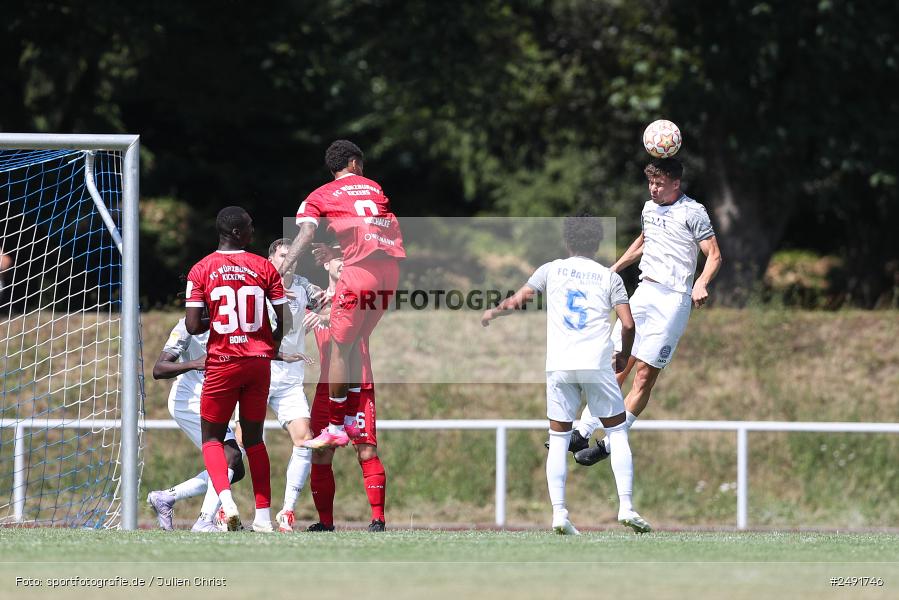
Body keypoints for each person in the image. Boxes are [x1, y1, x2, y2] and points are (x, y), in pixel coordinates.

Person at [481, 214, 651, 534]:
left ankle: (559, 513)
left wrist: (493, 312)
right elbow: (628, 324)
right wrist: (624, 354)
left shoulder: (551, 269)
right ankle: (626, 506)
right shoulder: (608, 277)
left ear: (567, 241)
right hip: (597, 365)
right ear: (598, 244)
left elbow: (520, 300)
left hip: (559, 364)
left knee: (559, 440)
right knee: (616, 432)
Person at [573, 157, 722, 466]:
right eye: (651, 183)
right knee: (616, 363)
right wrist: (614, 267)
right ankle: (583, 429)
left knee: (643, 375)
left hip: (674, 301)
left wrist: (702, 282)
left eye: (660, 183)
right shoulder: (648, 208)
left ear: (676, 184)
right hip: (644, 292)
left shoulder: (693, 212)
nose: (654, 189)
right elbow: (643, 242)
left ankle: (614, 440)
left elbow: (714, 255)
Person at [278, 140, 404, 449]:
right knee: (355, 342)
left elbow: (306, 233)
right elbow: (380, 233)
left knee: (338, 347)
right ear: (354, 163)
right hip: (389, 274)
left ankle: (337, 424)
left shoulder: (319, 195)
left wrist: (281, 271)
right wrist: (336, 249)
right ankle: (352, 418)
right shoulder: (374, 187)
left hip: (359, 275)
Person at [184, 206, 287, 532]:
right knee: (255, 439)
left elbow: (192, 326)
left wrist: (217, 320)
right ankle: (263, 518)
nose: (254, 232)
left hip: (223, 363)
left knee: (213, 438)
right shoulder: (264, 267)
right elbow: (285, 319)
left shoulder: (200, 269)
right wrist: (269, 347)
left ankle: (226, 504)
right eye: (251, 227)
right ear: (238, 232)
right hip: (258, 362)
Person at [306, 251, 387, 532]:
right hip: (326, 388)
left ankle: (378, 519)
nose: (344, 263)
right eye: (336, 257)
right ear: (326, 264)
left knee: (366, 451)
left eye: (348, 258)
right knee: (321, 453)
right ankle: (326, 523)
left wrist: (329, 316)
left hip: (360, 384)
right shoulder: (313, 301)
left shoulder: (360, 295)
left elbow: (358, 313)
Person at [146, 317, 245, 532]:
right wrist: (195, 363)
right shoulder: (187, 326)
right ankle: (204, 520)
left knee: (236, 470)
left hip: (216, 399)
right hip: (189, 401)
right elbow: (159, 369)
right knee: (230, 456)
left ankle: (165, 498)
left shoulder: (234, 319)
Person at [263, 238, 319, 533]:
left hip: (290, 377)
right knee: (241, 443)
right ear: (272, 258)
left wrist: (318, 314)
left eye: (294, 256)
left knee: (304, 438)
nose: (290, 260)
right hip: (259, 371)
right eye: (285, 256)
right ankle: (221, 510)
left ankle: (287, 511)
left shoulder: (304, 285)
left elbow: (326, 301)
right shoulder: (259, 283)